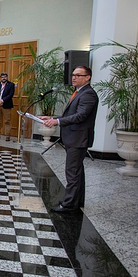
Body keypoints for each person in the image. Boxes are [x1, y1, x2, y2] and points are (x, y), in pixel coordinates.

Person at [41, 66, 98, 213]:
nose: (74, 77)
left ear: (88, 77)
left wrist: (57, 122)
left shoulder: (88, 94)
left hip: (78, 138)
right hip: (74, 137)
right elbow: (70, 115)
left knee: (72, 172)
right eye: (73, 75)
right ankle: (76, 200)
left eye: (78, 75)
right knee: (77, 171)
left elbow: (80, 116)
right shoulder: (79, 92)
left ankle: (69, 205)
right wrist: (53, 118)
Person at [0, 72, 15, 141]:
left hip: (6, 105)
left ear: (7, 77)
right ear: (0, 78)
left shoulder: (11, 85)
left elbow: (11, 95)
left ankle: (7, 136)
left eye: (5, 77)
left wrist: (2, 100)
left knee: (7, 121)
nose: (3, 78)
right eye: (2, 77)